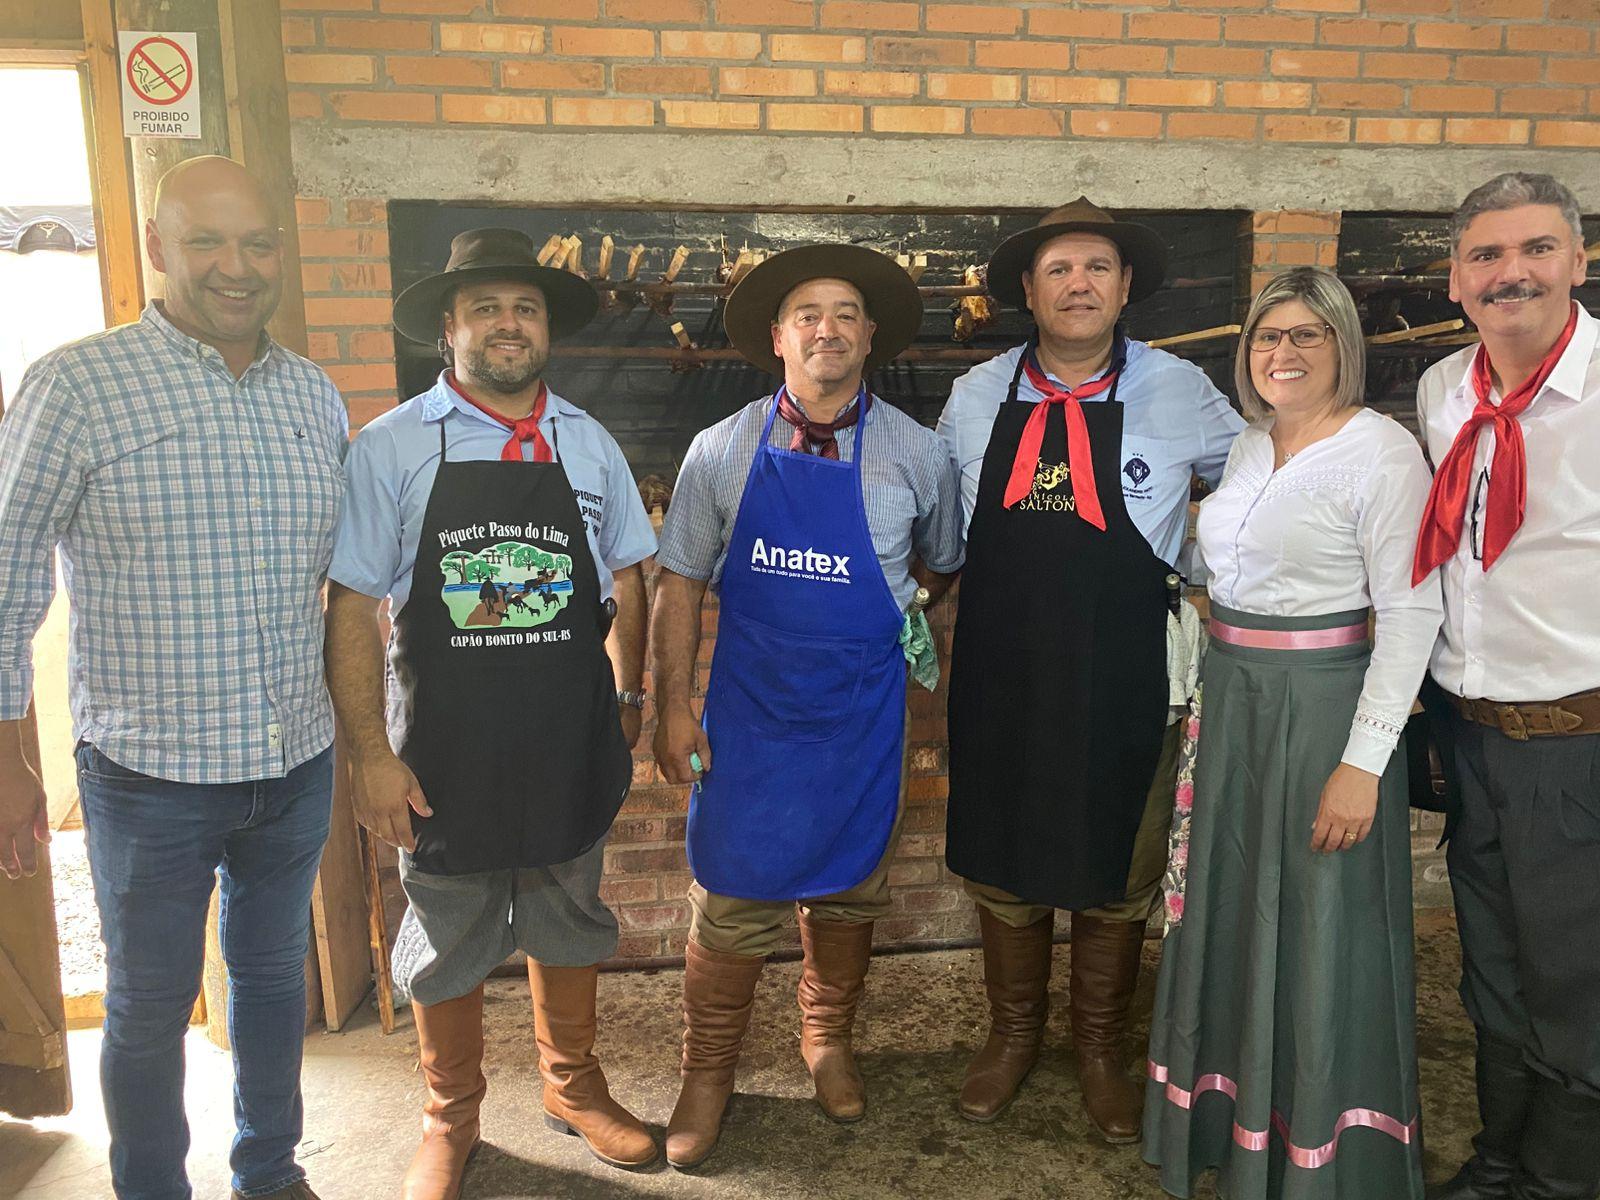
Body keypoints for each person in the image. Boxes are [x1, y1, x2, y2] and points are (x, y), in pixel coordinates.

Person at [0, 156, 347, 1200]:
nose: (234, 267)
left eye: (255, 243)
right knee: (150, 1006)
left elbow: (338, 586)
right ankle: (152, 1186)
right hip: (147, 774)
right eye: (207, 241)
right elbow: (6, 583)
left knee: (275, 980)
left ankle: (269, 1169)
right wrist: (11, 762)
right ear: (158, 247)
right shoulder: (77, 385)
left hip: (294, 757)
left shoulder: (312, 395)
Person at [324, 228, 659, 1199]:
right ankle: (450, 1117)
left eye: (525, 308)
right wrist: (369, 756)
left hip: (565, 735)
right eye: (486, 308)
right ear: (448, 326)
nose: (508, 325)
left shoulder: (587, 442)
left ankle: (571, 1086)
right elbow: (353, 603)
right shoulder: (389, 446)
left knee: (567, 915)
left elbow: (628, 578)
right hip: (443, 749)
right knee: (446, 935)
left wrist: (628, 694)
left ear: (544, 327)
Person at [936, 197, 1245, 1142]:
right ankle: (1012, 1037)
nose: (1079, 284)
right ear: (1028, 291)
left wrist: (1198, 572)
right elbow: (949, 533)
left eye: (1098, 269)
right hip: (1002, 657)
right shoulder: (977, 395)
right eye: (1060, 269)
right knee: (1002, 853)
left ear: (1124, 289)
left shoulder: (1179, 388)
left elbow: (1255, 485)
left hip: (1127, 661)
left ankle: (1103, 1048)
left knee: (1122, 855)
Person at [650, 244, 964, 1168]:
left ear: (868, 336)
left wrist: (885, 617)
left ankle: (827, 1040)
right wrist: (673, 708)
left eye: (845, 313)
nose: (828, 328)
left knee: (847, 892)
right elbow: (677, 582)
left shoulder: (917, 451)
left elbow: (939, 565)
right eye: (807, 314)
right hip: (750, 713)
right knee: (736, 894)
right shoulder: (723, 448)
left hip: (859, 717)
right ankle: (707, 1071)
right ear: (779, 339)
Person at [1141, 267, 1440, 1197]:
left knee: (1319, 923)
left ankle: (1318, 1154)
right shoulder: (1249, 444)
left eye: (1309, 334)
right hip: (1232, 704)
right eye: (1270, 336)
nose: (1286, 352)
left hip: (1322, 712)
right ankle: (1230, 1127)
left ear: (1344, 345)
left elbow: (1413, 612)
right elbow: (1219, 572)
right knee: (1228, 911)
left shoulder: (1383, 454)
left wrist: (1363, 764)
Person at [1414, 173, 1600, 1200]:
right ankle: (1499, 1159)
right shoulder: (1447, 391)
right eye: (1485, 256)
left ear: (1578, 261)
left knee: (1577, 981)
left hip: (1576, 738)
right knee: (1491, 968)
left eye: (1534, 249)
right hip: (1470, 736)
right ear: (1454, 280)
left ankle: (1563, 1180)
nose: (1509, 272)